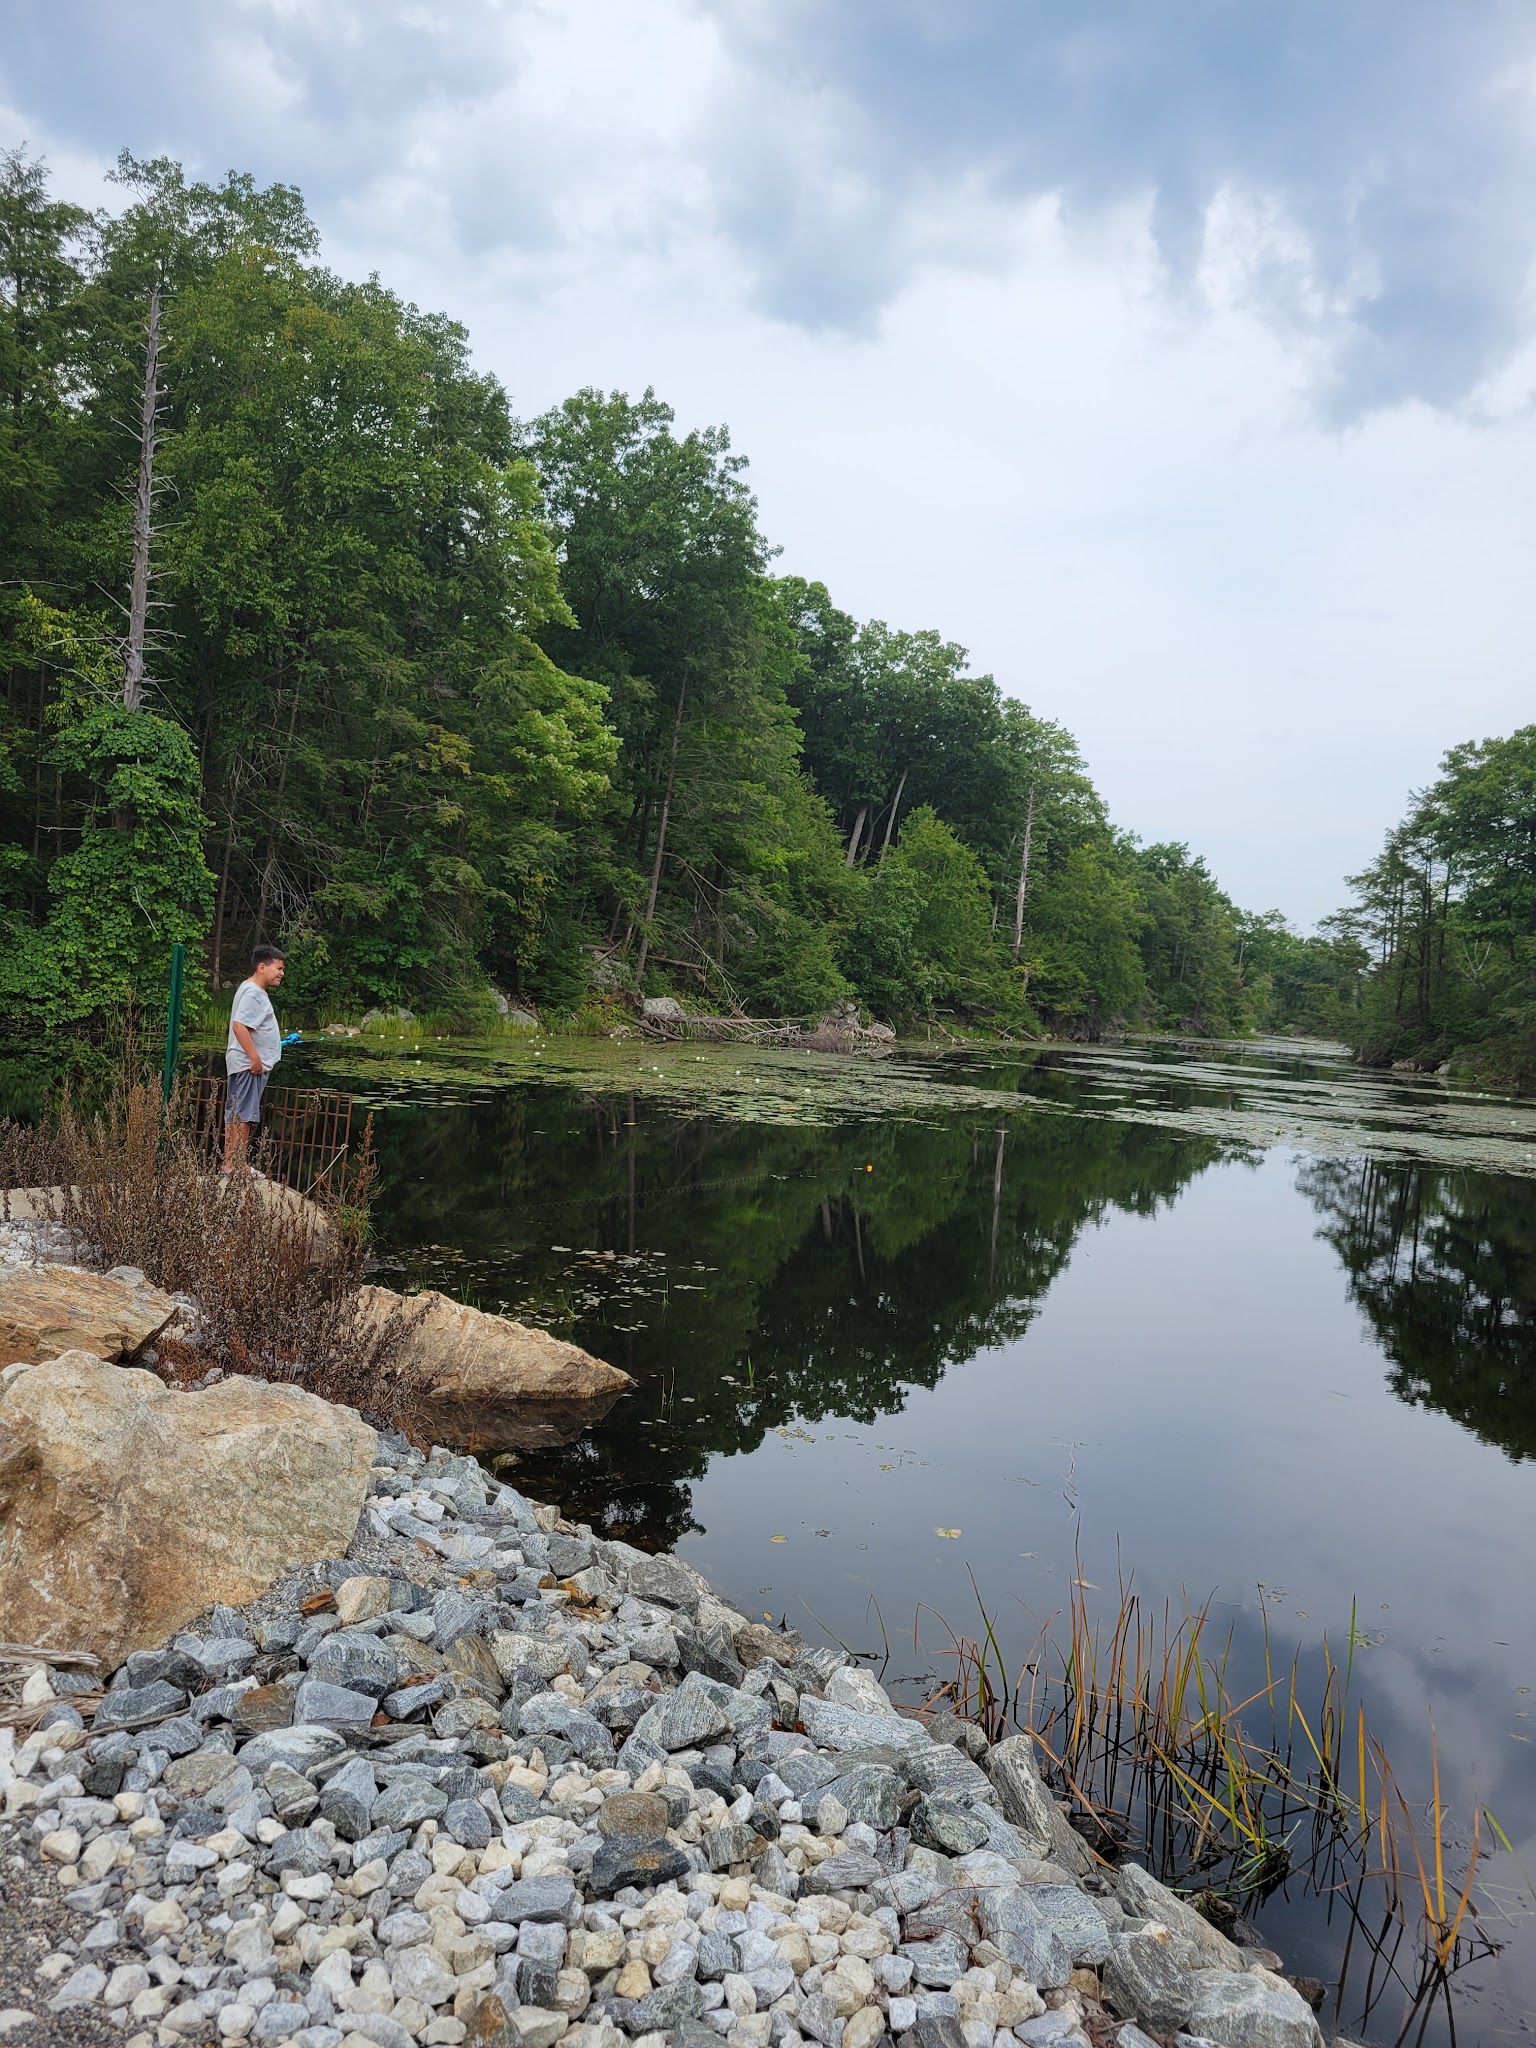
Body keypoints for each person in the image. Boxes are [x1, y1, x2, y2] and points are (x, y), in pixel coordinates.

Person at [223, 945, 286, 1173]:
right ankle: (238, 1165)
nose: (281, 973)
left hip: (241, 1064)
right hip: (248, 1066)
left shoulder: (248, 988)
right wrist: (255, 1058)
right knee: (244, 1115)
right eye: (278, 968)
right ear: (262, 967)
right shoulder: (254, 993)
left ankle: (230, 1162)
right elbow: (239, 1026)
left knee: (235, 1112)